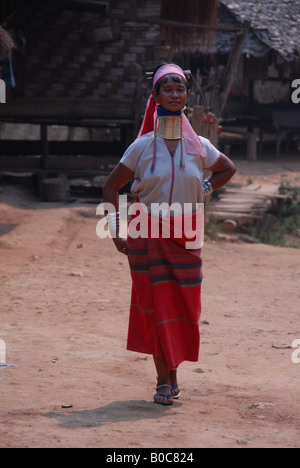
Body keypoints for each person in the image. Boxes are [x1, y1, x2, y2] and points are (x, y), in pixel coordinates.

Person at [103, 63, 236, 406]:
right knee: (156, 307)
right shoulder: (142, 147)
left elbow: (227, 169)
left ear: (187, 97)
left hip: (188, 235)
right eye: (168, 89)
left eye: (180, 90)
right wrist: (116, 230)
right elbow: (110, 188)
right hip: (146, 232)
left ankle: (174, 374)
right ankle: (165, 380)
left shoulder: (201, 146)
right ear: (155, 96)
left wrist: (206, 186)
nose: (175, 95)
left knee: (184, 310)